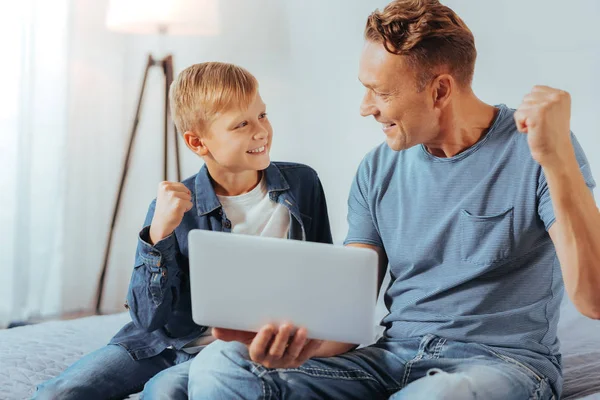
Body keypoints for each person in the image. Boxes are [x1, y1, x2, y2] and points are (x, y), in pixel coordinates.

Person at [186, 1, 599, 399]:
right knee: (219, 364)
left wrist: (557, 159)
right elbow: (346, 318)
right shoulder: (376, 169)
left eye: (380, 93)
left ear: (439, 91)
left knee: (437, 394)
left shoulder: (539, 149)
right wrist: (299, 346)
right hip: (391, 358)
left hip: (500, 364)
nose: (366, 108)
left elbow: (593, 300)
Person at [34, 61, 334, 400]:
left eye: (262, 115)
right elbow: (147, 318)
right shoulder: (174, 206)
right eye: (241, 124)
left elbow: (321, 275)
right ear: (197, 142)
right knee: (58, 393)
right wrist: (158, 234)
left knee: (161, 391)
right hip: (161, 342)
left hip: (231, 350)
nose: (261, 131)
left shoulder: (302, 184)